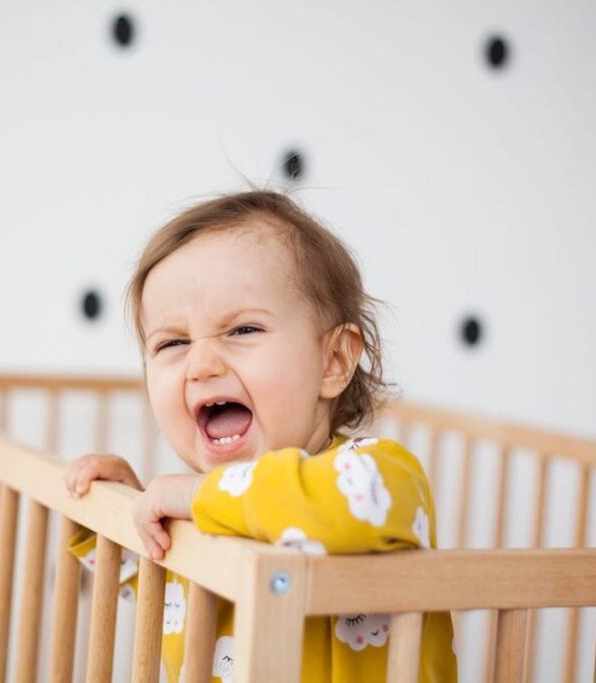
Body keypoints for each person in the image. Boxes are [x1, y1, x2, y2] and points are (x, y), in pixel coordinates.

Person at [63, 189, 457, 682]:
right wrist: (116, 510)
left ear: (333, 361)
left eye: (243, 331)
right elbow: (163, 602)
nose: (201, 365)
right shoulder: (198, 510)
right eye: (174, 343)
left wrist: (195, 495)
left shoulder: (377, 476)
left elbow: (330, 512)